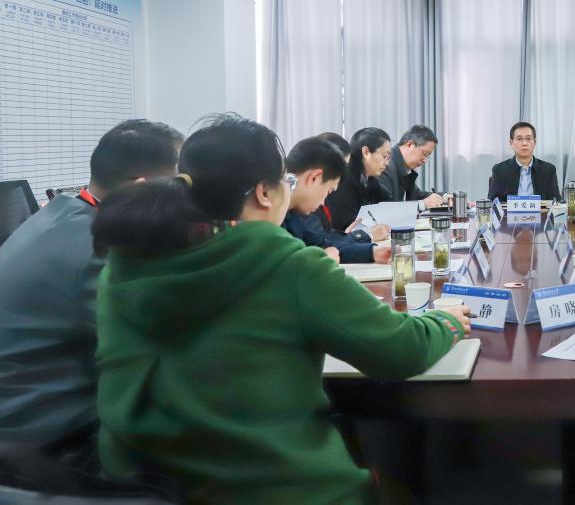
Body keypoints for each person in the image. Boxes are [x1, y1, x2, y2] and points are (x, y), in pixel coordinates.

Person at [92, 114, 471, 504]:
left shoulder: (123, 265)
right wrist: (446, 320)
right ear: (264, 193)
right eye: (286, 183)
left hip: (139, 489)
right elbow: (402, 350)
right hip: (273, 488)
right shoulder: (288, 265)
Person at [0, 120, 182, 468]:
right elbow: (161, 351)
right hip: (43, 447)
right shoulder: (99, 252)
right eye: (181, 185)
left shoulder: (61, 214)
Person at [282, 137, 390, 264]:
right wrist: (317, 261)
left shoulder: (294, 211)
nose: (323, 202)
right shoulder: (272, 210)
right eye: (328, 191)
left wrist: (371, 252)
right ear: (314, 178)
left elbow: (321, 244)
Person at [324, 127, 392, 233]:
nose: (387, 163)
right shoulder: (343, 181)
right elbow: (345, 227)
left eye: (388, 158)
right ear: (366, 152)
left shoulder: (369, 180)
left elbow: (387, 204)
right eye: (385, 156)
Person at [488, 121, 561, 202]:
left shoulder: (548, 170)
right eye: (519, 139)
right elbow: (493, 203)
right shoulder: (499, 170)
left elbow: (556, 202)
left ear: (534, 142)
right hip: (508, 211)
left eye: (528, 138)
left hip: (541, 211)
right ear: (511, 143)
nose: (524, 143)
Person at [379, 125, 446, 209]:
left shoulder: (402, 166)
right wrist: (422, 204)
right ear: (410, 145)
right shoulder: (382, 166)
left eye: (427, 156)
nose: (424, 160)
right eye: (425, 154)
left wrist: (445, 197)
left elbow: (418, 195)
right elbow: (384, 208)